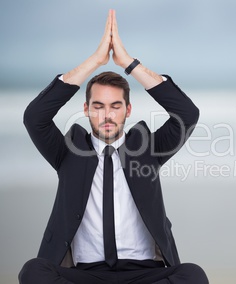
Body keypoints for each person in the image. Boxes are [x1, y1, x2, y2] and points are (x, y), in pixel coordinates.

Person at [18, 9, 208, 284]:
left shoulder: (149, 149)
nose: (107, 115)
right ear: (86, 109)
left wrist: (129, 64)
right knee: (33, 271)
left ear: (128, 110)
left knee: (192, 275)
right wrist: (95, 62)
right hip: (85, 274)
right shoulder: (67, 152)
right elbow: (35, 118)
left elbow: (187, 114)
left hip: (144, 273)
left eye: (115, 106)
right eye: (98, 106)